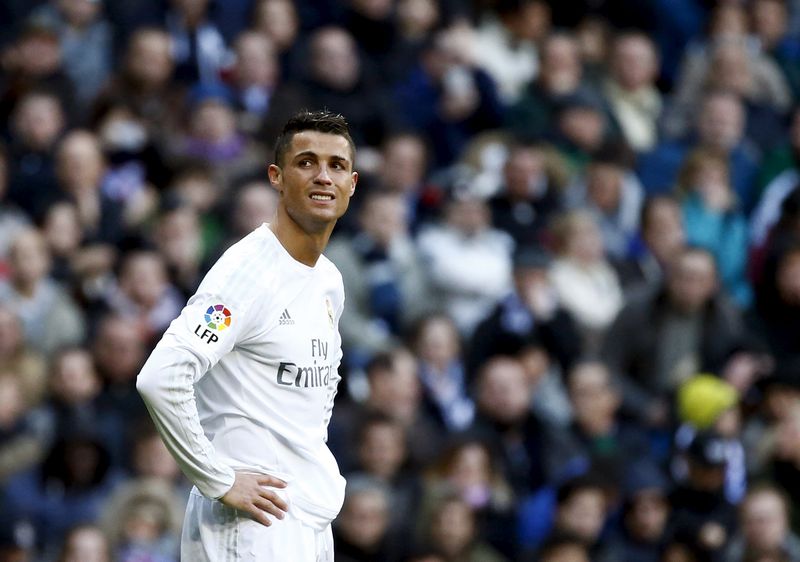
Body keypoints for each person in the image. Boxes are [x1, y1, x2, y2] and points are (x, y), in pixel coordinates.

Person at [136, 110, 358, 561]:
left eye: (336, 166)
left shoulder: (329, 279)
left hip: (307, 513)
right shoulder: (247, 274)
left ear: (352, 184)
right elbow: (160, 378)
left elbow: (319, 393)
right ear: (276, 177)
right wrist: (217, 478)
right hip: (253, 523)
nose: (323, 176)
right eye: (306, 162)